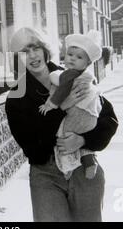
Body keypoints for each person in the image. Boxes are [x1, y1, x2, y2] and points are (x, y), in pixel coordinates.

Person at [5, 27, 118, 222]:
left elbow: (108, 119)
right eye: (24, 52)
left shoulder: (71, 74)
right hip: (46, 175)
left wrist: (83, 140)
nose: (32, 55)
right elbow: (34, 149)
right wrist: (62, 107)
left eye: (35, 48)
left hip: (83, 170)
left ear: (44, 49)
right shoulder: (16, 98)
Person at [38, 31, 103, 180]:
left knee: (63, 136)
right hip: (91, 115)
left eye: (79, 57)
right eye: (70, 55)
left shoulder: (69, 74)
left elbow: (62, 90)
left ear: (87, 63)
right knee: (75, 136)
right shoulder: (85, 75)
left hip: (79, 113)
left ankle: (67, 167)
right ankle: (89, 159)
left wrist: (51, 105)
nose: (72, 59)